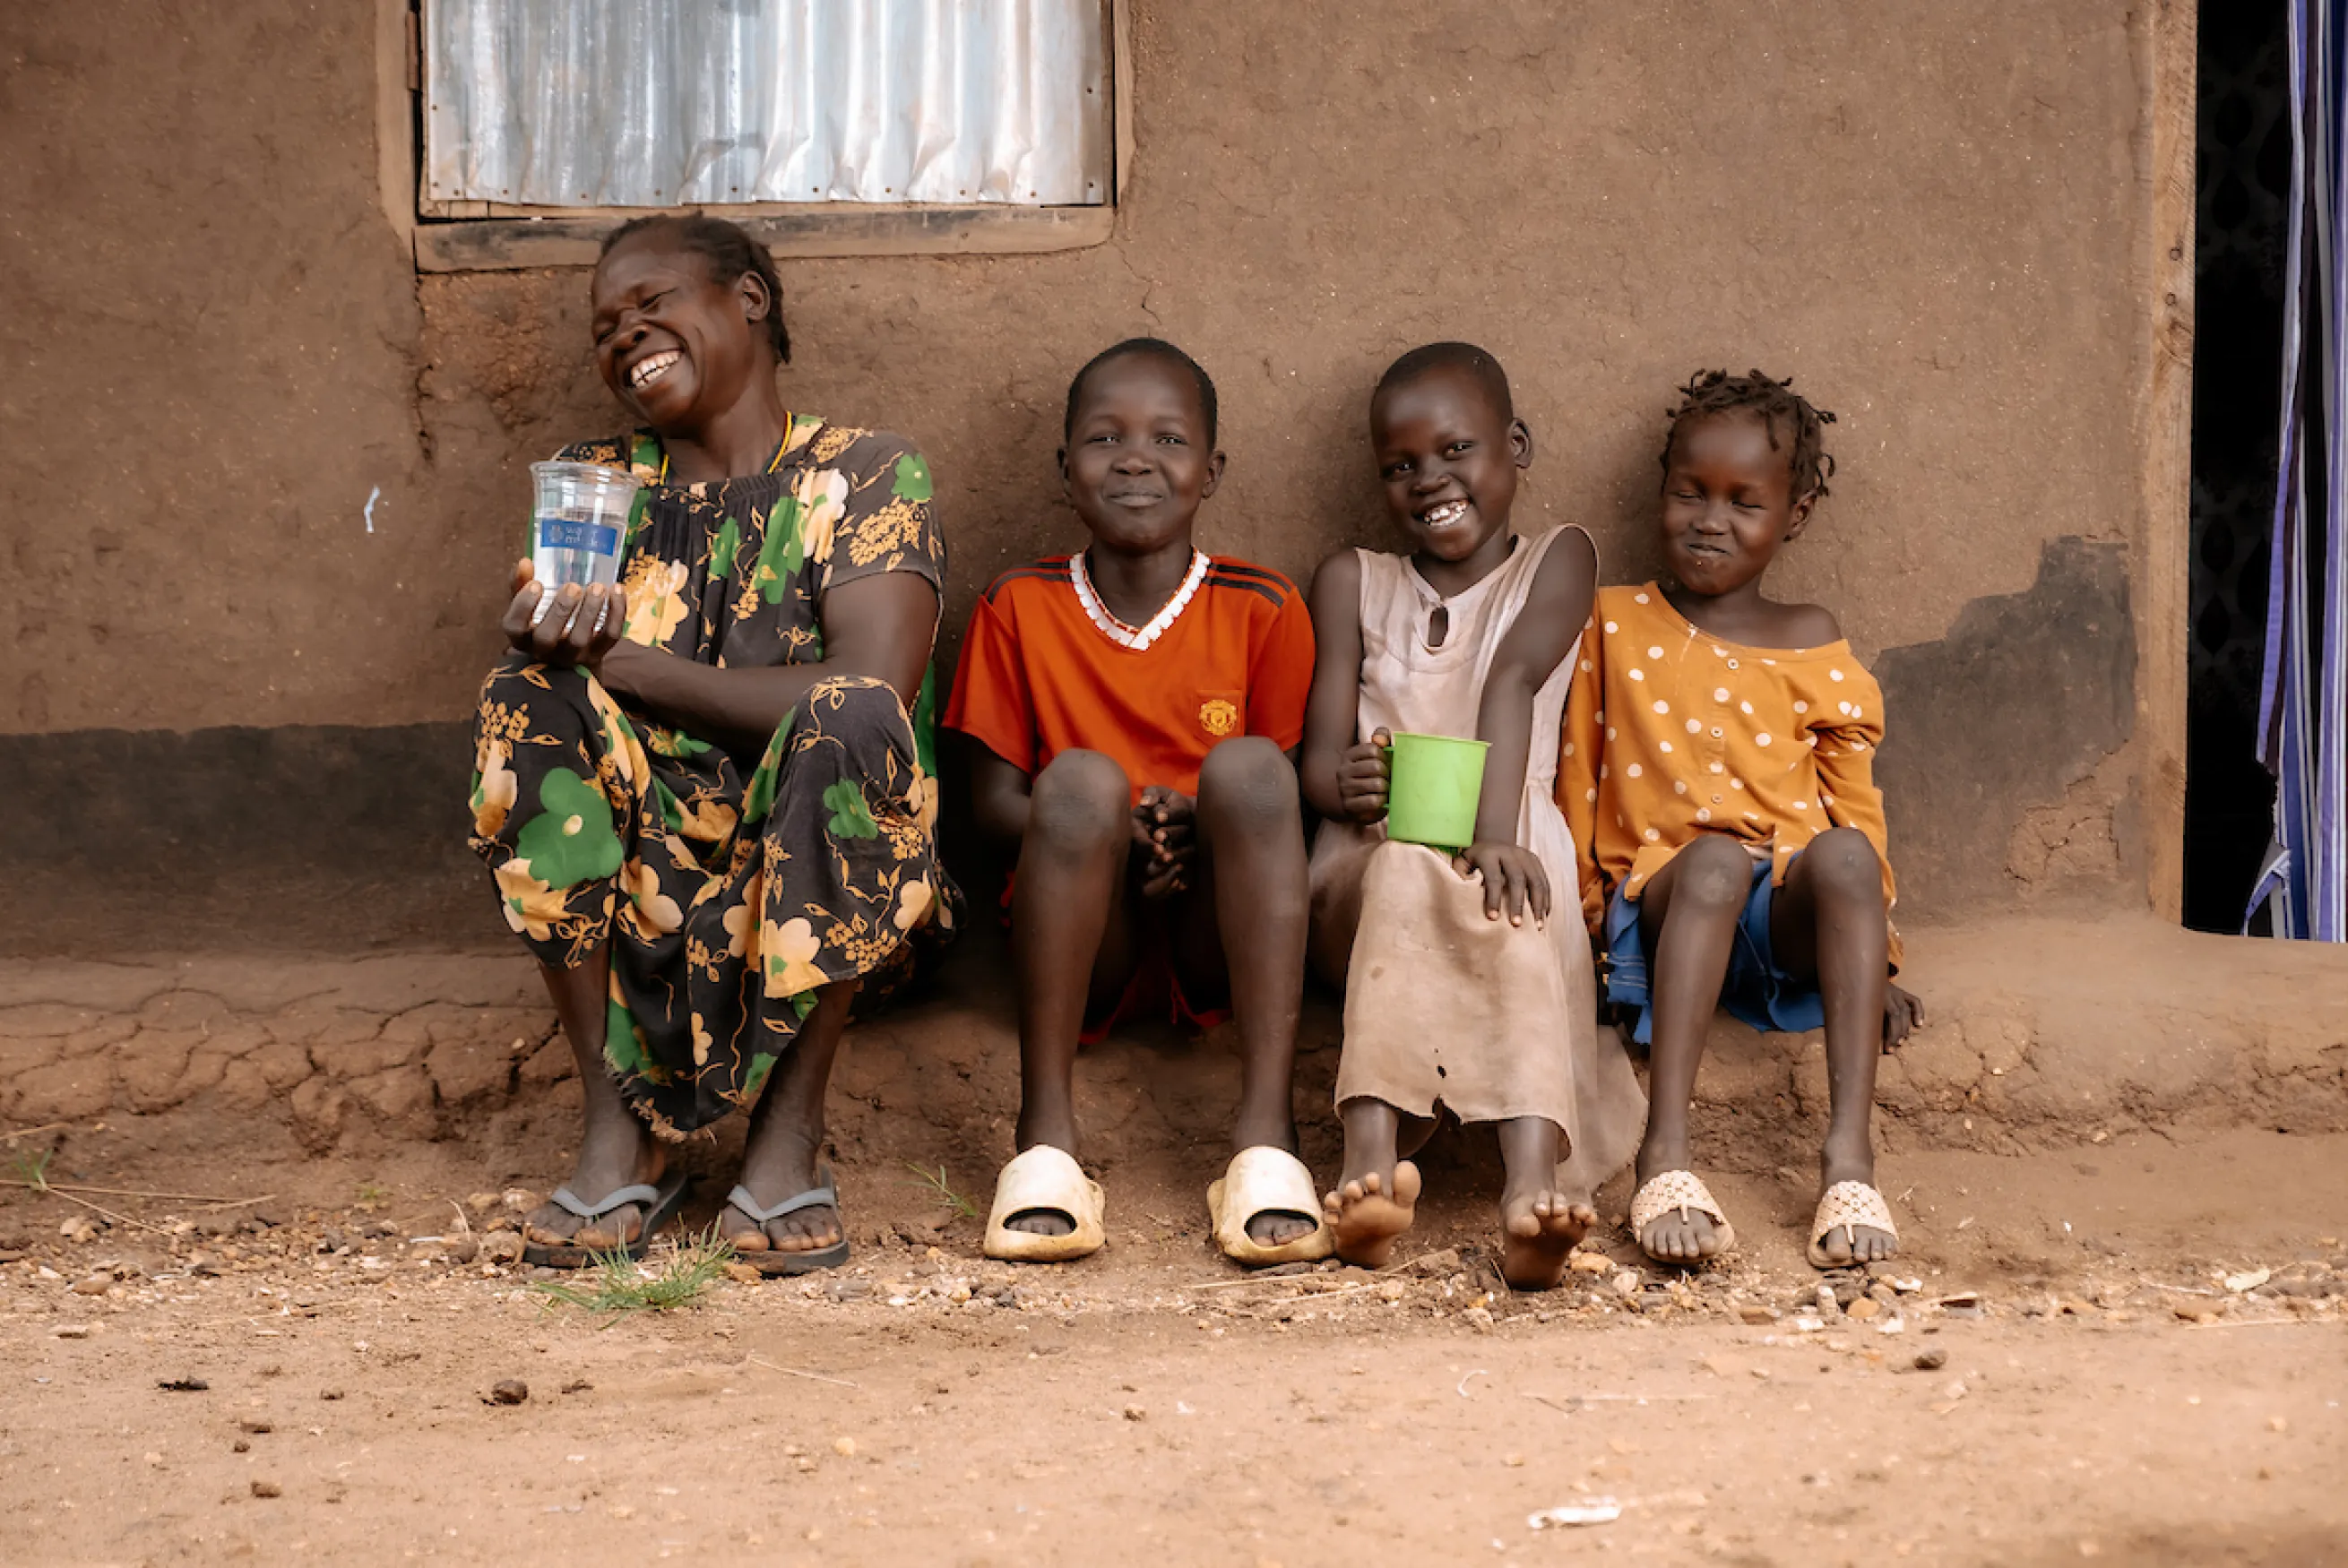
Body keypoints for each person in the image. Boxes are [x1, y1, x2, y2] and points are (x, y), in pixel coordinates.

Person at [468, 213, 957, 1274]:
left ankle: (789, 1131)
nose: (624, 336)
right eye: (605, 327)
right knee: (525, 693)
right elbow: (565, 689)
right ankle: (620, 1121)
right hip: (644, 881)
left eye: (651, 304)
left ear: (749, 300)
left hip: (839, 875)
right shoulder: (597, 485)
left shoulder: (865, 474)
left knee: (850, 714)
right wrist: (550, 652)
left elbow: (871, 687)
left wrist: (635, 668)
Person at [944, 338, 1328, 1267]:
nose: (1134, 459)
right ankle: (1044, 1144)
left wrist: (1192, 824)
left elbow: (1284, 810)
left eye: (1167, 438)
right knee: (1076, 781)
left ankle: (1266, 1140)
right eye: (1104, 438)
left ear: (1211, 469)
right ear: (1063, 468)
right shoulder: (1016, 605)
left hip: (1213, 926)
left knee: (1244, 770)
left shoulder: (1263, 606)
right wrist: (1114, 827)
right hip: (1086, 927)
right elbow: (983, 806)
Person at [1559, 368, 1923, 1271]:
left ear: (1792, 515)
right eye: (1690, 492)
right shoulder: (1610, 626)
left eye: (1742, 502)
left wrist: (1879, 959)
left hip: (1780, 911)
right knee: (1716, 861)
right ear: (1661, 489)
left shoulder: (1811, 637)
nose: (1709, 519)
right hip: (1669, 903)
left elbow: (1857, 809)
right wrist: (1582, 932)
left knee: (1839, 856)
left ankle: (1847, 1158)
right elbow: (1571, 780)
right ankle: (1664, 1157)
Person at [1301, 343, 1645, 1289]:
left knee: (1511, 892)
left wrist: (1494, 834)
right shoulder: (1351, 579)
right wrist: (1346, 787)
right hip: (1369, 869)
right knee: (1408, 865)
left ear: (1517, 446)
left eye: (1455, 450)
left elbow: (1512, 676)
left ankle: (1532, 1195)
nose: (1429, 480)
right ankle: (1365, 1172)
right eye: (1400, 465)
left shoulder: (1558, 557)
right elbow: (1317, 759)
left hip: (1508, 843)